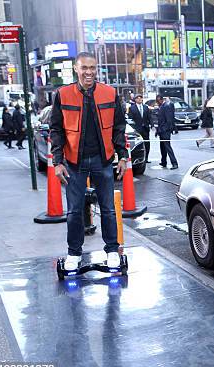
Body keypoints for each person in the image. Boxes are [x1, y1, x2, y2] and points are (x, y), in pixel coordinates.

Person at [50, 51, 128, 271]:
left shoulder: (110, 93)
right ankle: (74, 253)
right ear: (76, 69)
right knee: (74, 210)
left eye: (92, 68)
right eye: (84, 68)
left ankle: (112, 250)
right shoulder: (63, 94)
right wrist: (57, 161)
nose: (89, 72)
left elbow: (119, 128)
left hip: (103, 161)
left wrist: (123, 156)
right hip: (74, 163)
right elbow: (56, 129)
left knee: (108, 209)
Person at [156, 95, 179, 169]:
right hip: (161, 131)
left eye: (158, 100)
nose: (157, 102)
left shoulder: (166, 106)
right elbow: (160, 121)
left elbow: (169, 120)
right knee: (162, 147)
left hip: (165, 131)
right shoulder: (162, 107)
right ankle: (163, 162)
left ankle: (174, 163)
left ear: (161, 100)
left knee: (167, 147)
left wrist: (165, 129)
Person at [129, 94, 152, 163]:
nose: (139, 99)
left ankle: (146, 158)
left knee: (147, 143)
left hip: (145, 128)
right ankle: (138, 158)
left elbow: (149, 117)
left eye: (141, 98)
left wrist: (152, 125)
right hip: (137, 129)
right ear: (135, 99)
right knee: (138, 144)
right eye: (138, 98)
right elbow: (131, 119)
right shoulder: (132, 108)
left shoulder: (145, 107)